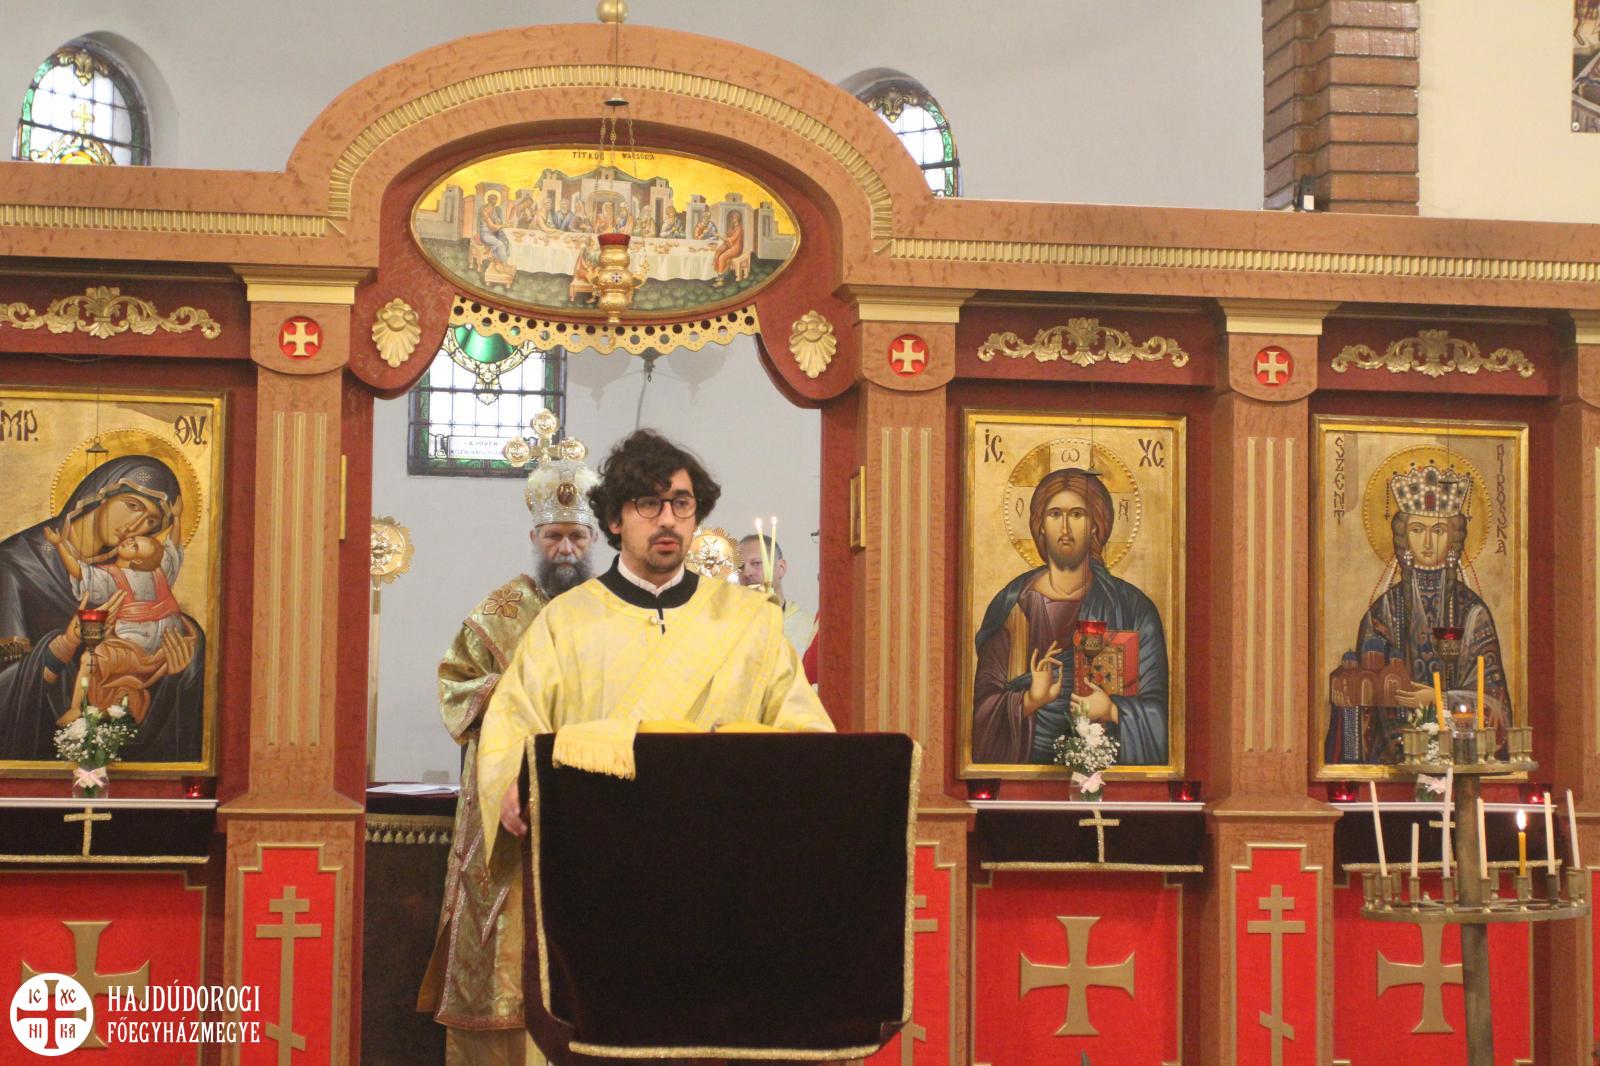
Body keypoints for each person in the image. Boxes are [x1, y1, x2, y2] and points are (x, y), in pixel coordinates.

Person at [477, 429, 834, 856]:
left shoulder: (750, 618)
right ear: (615, 519)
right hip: (603, 843)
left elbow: (805, 731)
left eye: (681, 503)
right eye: (648, 503)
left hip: (725, 843)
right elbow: (513, 724)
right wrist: (511, 781)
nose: (667, 519)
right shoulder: (565, 620)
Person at [418, 424, 599, 1066]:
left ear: (595, 540)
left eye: (577, 536)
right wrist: (515, 687)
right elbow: (455, 687)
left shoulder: (609, 610)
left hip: (588, 795)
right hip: (507, 800)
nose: (566, 548)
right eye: (554, 536)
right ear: (534, 539)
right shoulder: (499, 610)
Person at [0, 455, 203, 762]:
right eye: (132, 505)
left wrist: (174, 671)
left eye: (151, 522)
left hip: (108, 738)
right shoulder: (17, 565)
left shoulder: (130, 571)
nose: (136, 526)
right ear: (100, 492)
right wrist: (66, 643)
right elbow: (8, 682)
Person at [971, 467, 1169, 766]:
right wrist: (1030, 701)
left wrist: (1112, 711)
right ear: (1040, 525)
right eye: (1054, 514)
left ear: (1095, 525)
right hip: (1023, 770)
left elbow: (1161, 717)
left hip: (1104, 770)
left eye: (1077, 514)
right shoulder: (1013, 606)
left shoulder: (1133, 608)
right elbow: (982, 712)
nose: (1065, 527)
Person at [1324, 465, 1511, 764]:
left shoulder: (1472, 612)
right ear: (1403, 536)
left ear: (1454, 538)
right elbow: (1367, 695)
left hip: (1459, 753)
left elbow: (1496, 703)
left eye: (1438, 531)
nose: (1427, 542)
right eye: (1417, 529)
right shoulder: (1383, 612)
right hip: (1392, 752)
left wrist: (1439, 700)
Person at [737, 533, 818, 671]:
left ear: (781, 568)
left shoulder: (807, 628)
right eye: (740, 566)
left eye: (756, 563)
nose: (746, 573)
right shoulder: (729, 625)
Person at [711, 211, 745, 285]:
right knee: (718, 252)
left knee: (722, 257)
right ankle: (721, 273)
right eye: (732, 217)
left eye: (734, 218)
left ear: (738, 219)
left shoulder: (739, 229)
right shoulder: (733, 227)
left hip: (737, 248)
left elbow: (731, 239)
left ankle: (720, 280)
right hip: (731, 245)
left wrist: (719, 236)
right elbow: (728, 239)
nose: (733, 219)